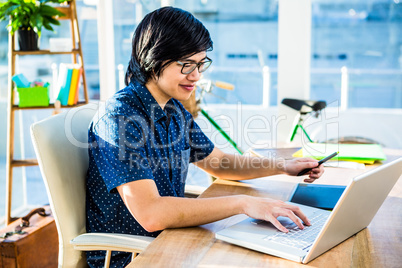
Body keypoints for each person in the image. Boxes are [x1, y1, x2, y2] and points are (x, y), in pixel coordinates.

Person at [85, 6, 324, 267]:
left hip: (173, 241)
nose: (196, 76)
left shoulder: (174, 109)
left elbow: (220, 163)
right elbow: (151, 214)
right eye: (186, 65)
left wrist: (283, 167)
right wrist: (244, 203)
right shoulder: (119, 118)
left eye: (200, 64)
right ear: (152, 59)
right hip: (132, 257)